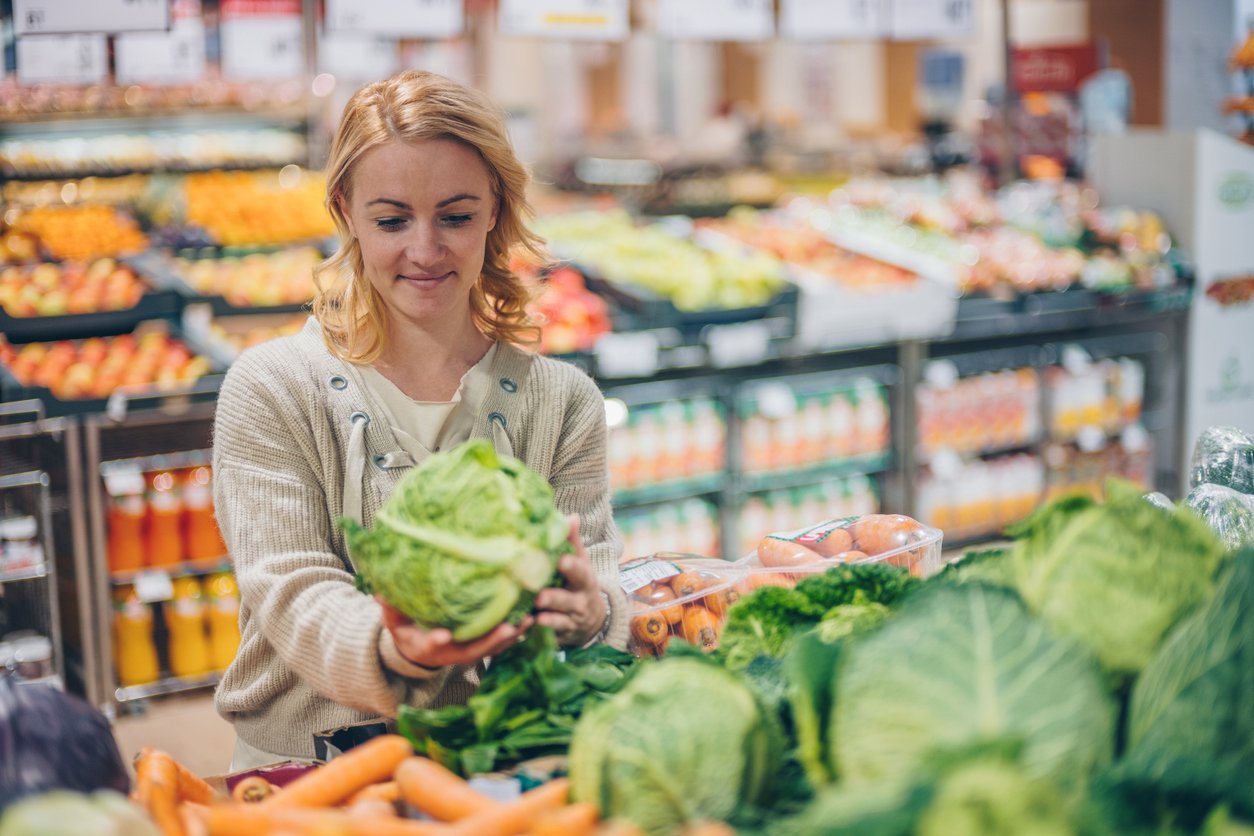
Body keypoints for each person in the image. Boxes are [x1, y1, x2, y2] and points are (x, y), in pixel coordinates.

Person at [211, 70, 629, 769]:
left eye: (456, 216)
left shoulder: (563, 402)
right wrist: (394, 645)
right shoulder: (273, 388)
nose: (426, 250)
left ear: (496, 207)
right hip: (308, 779)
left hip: (500, 773)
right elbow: (291, 588)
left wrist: (592, 616)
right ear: (345, 210)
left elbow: (601, 578)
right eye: (392, 219)